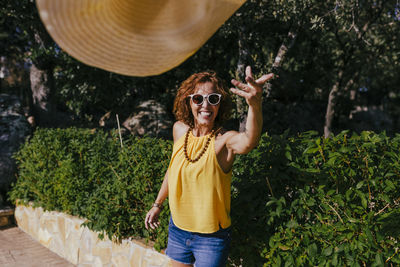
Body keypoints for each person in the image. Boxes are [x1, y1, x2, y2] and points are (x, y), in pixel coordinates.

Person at [145, 66, 274, 267]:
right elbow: (173, 170)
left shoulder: (224, 141)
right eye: (198, 99)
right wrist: (157, 204)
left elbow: (249, 141)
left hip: (211, 238)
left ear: (219, 105)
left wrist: (255, 106)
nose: (205, 105)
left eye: (213, 99)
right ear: (188, 101)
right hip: (178, 229)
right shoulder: (179, 130)